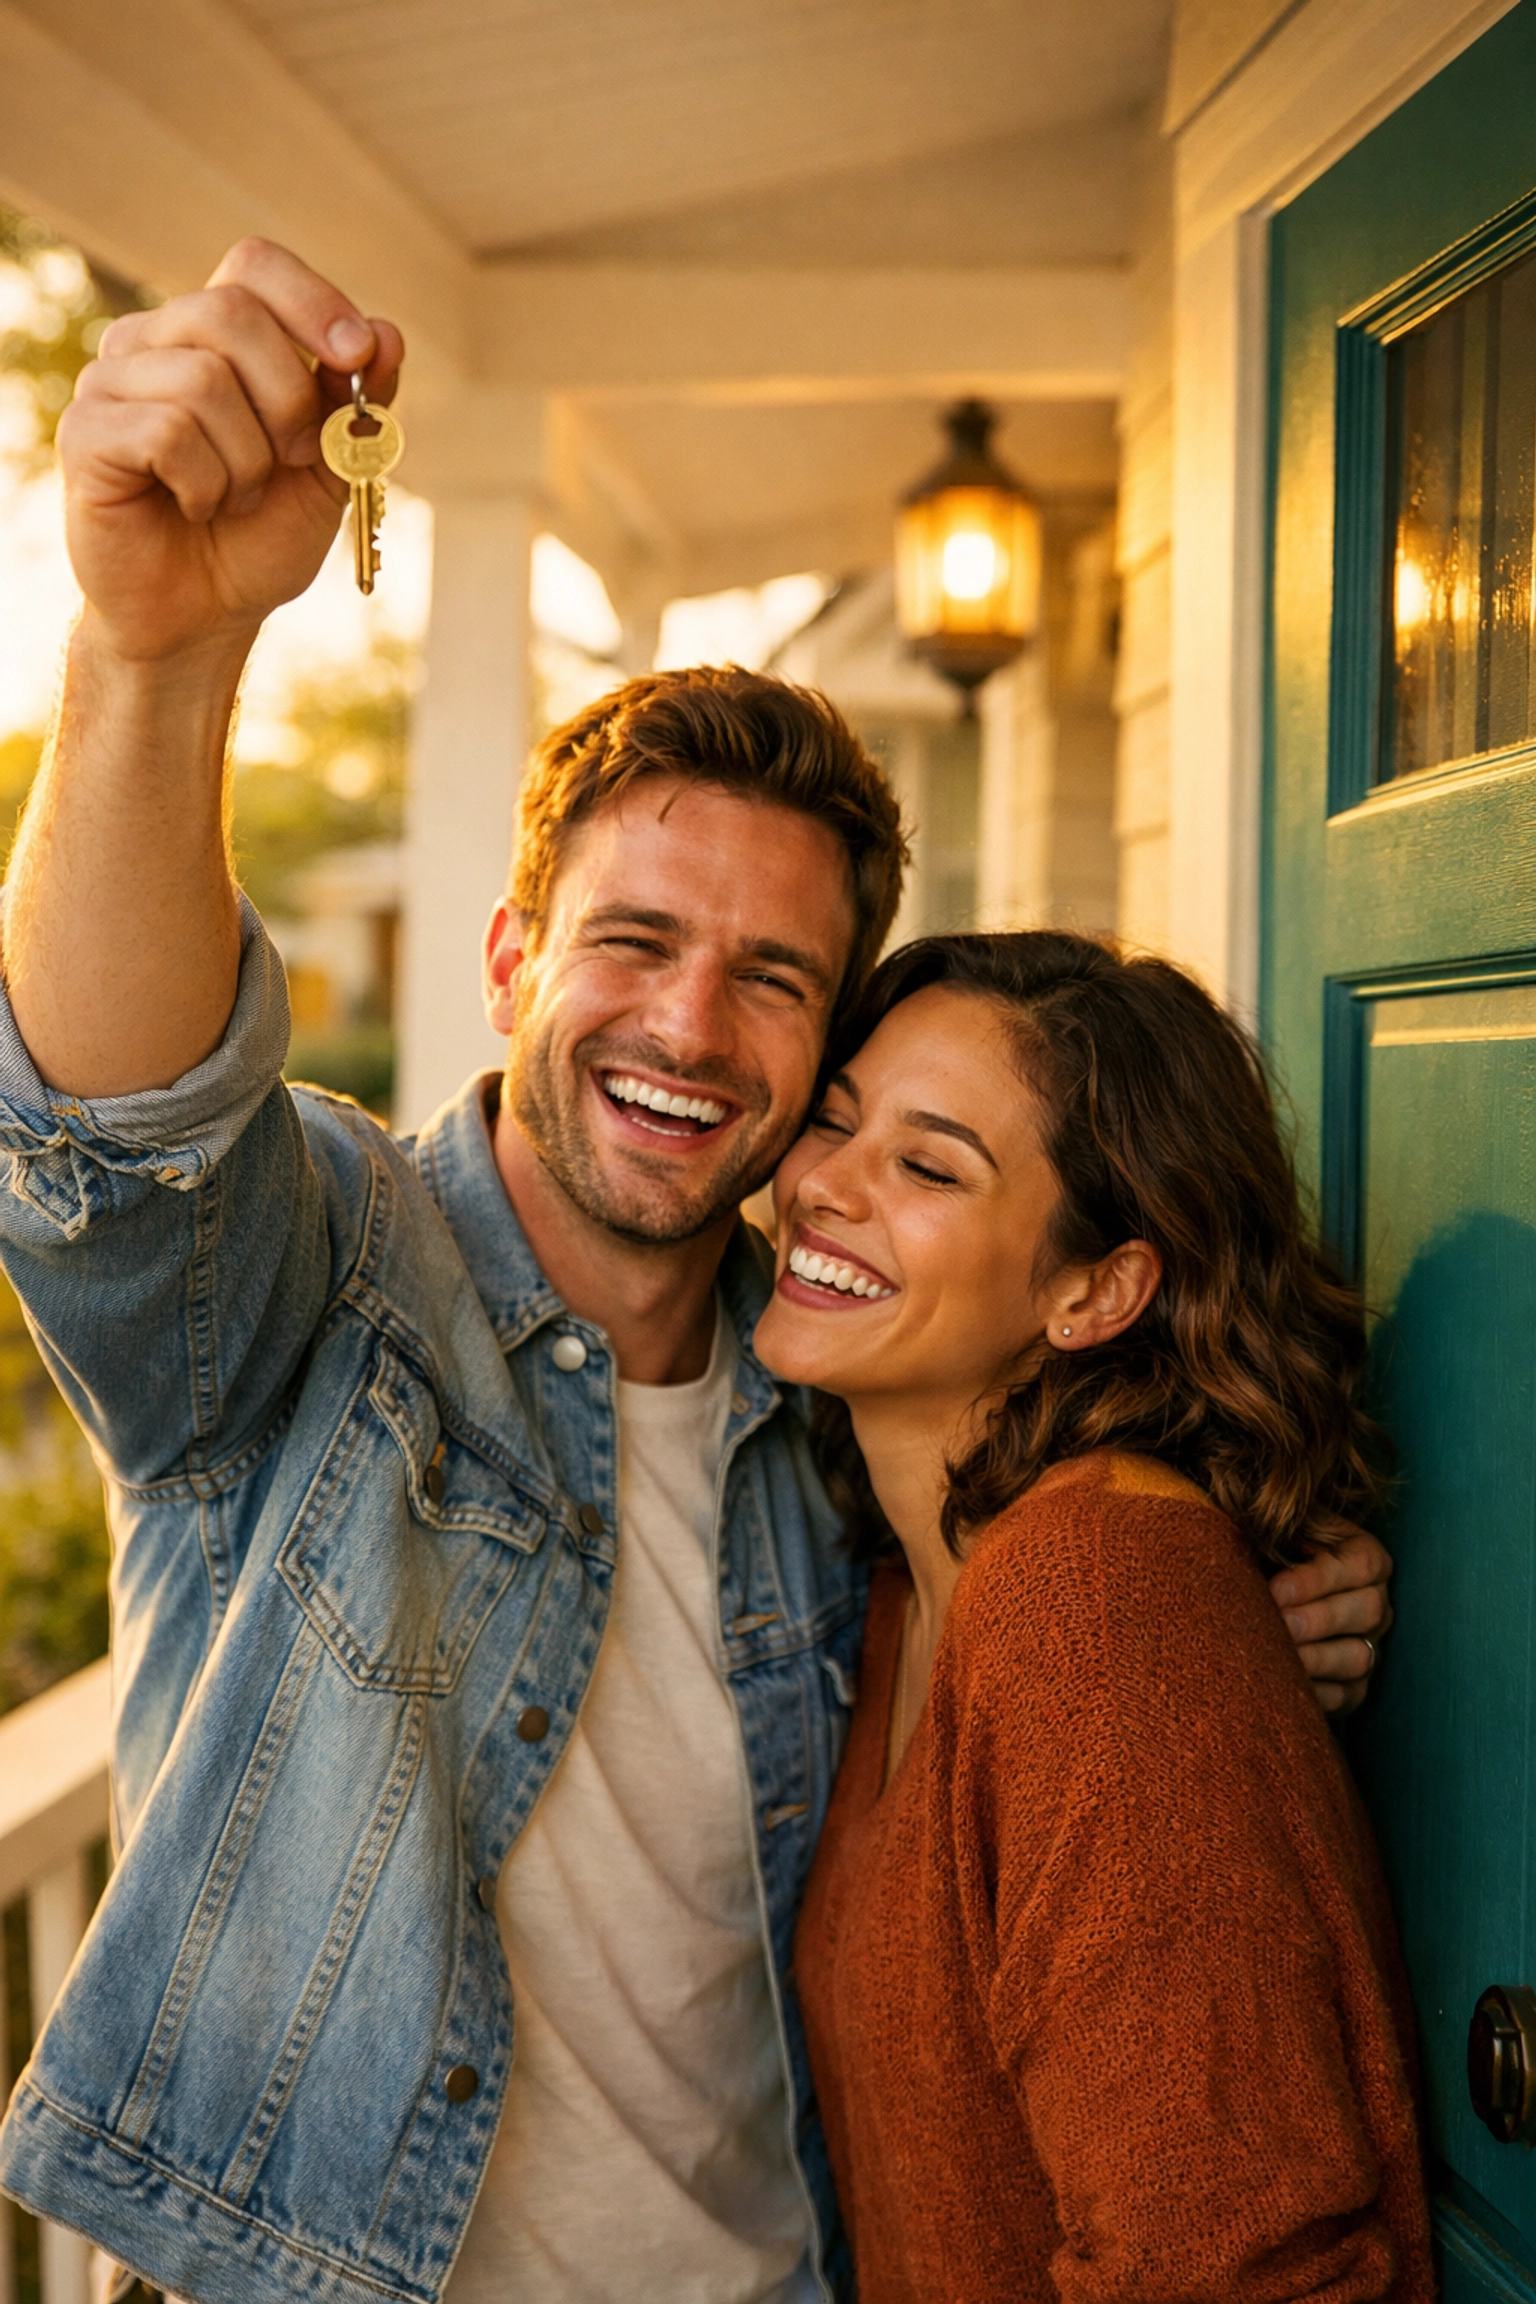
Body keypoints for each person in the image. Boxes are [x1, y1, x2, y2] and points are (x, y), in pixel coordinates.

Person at [0, 239, 1392, 2304]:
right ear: (510, 962)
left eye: (774, 982)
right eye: (633, 944)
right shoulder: (326, 1281)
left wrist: (1247, 1602)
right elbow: (114, 1150)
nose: (688, 1028)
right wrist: (152, 654)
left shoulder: (843, 1419)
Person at [754, 932, 1433, 2304]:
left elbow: (1232, 2263)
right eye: (836, 1123)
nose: (825, 1185)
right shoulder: (910, 1589)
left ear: (1096, 1291)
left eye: (929, 1166)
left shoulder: (1096, 1596)